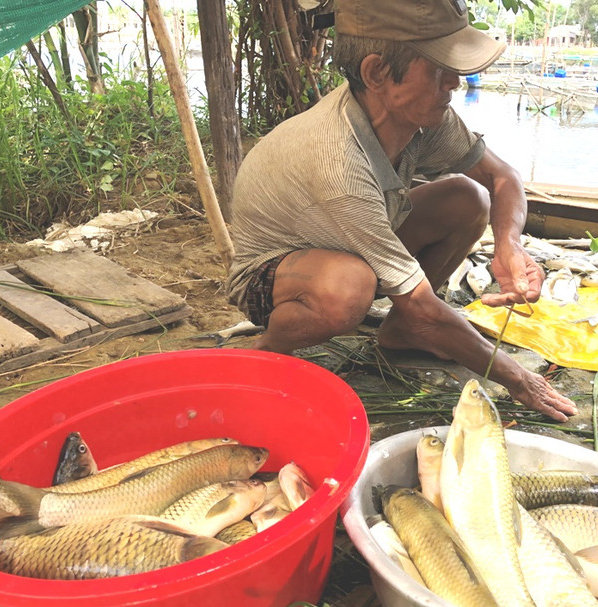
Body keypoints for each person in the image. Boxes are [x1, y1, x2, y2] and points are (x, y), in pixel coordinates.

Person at [226, 0, 577, 422]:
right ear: (377, 73)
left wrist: (509, 245)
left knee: (468, 198)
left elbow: (501, 177)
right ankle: (267, 352)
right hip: (272, 274)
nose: (456, 82)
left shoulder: (422, 116)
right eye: (438, 68)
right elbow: (421, 303)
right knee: (348, 287)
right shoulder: (337, 159)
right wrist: (518, 379)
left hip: (350, 246)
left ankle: (403, 330)